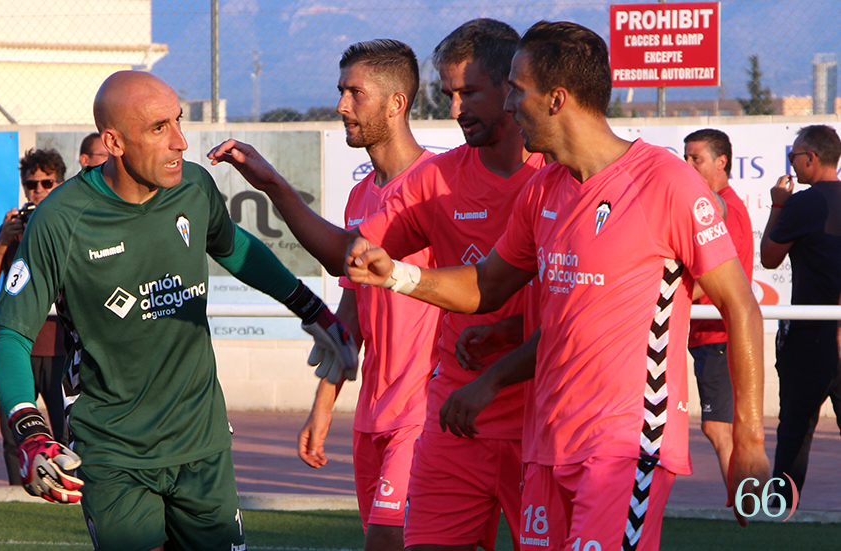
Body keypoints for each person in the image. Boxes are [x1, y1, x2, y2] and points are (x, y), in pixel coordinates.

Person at [347, 21, 770, 549]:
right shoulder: (544, 189)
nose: (510, 103)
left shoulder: (665, 182)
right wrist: (398, 275)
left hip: (626, 445)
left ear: (556, 99)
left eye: (517, 89)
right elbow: (487, 284)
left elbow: (740, 305)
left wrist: (749, 439)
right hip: (548, 444)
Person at [0, 70, 357, 551]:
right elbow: (12, 336)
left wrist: (310, 308)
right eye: (159, 128)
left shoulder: (194, 187)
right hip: (113, 451)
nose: (180, 141)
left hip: (201, 444)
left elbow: (233, 246)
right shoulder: (60, 218)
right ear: (114, 142)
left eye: (178, 121)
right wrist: (30, 432)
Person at [210, 20, 541, 551]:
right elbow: (351, 269)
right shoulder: (428, 183)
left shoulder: (552, 180)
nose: (455, 109)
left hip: (516, 418)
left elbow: (553, 303)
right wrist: (275, 186)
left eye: (467, 93)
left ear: (511, 87)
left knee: (388, 539)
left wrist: (502, 351)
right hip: (443, 417)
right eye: (449, 95)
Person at [218, 39, 440, 551]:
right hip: (372, 415)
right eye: (341, 90)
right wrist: (323, 406)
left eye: (355, 93)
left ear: (396, 102)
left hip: (422, 413)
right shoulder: (361, 194)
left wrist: (274, 184)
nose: (341, 105)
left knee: (388, 541)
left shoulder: (436, 182)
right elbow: (353, 310)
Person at [0, 148, 69, 485]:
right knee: (17, 437)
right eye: (32, 184)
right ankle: (19, 494)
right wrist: (3, 239)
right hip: (20, 347)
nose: (38, 190)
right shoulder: (13, 228)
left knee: (67, 433)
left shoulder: (70, 222)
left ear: (60, 183)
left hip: (61, 348)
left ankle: (71, 493)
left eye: (47, 183)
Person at [760, 124, 841, 508]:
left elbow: (769, 257)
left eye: (794, 157)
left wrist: (778, 204)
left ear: (811, 158)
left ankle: (780, 506)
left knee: (795, 426)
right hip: (831, 331)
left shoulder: (803, 203)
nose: (791, 164)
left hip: (810, 335)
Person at [683, 129, 754, 490]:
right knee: (723, 429)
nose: (687, 165)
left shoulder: (725, 210)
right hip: (709, 335)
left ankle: (746, 507)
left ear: (721, 162)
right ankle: (747, 504)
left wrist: (665, 300)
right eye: (685, 158)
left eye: (696, 158)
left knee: (717, 427)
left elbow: (717, 277)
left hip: (718, 335)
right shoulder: (713, 206)